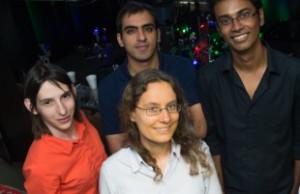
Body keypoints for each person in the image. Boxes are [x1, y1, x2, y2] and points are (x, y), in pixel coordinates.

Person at [197, 0, 300, 193]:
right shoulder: (208, 77)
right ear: (219, 29)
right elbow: (213, 142)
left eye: (244, 15)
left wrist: (294, 189)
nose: (236, 27)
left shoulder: (293, 73)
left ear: (260, 16)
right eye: (226, 20)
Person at [98, 1, 207, 154]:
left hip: (186, 160)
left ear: (158, 34)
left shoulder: (182, 67)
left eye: (148, 29)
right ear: (120, 39)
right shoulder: (109, 87)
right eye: (131, 31)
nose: (141, 37)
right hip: (141, 174)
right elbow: (119, 150)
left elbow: (200, 128)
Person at [99, 69, 222, 194]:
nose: (166, 118)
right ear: (131, 113)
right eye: (152, 109)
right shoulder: (113, 170)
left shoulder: (199, 152)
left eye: (171, 106)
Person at [22, 62, 107, 193]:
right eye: (48, 102)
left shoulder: (81, 119)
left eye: (65, 96)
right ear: (32, 107)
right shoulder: (39, 166)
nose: (62, 111)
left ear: (73, 91)